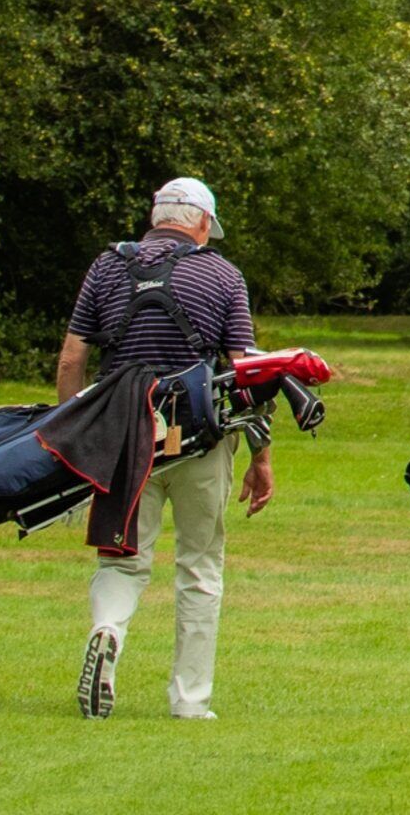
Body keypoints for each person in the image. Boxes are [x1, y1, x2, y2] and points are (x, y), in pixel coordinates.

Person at [59, 176, 267, 721]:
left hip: (122, 437)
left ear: (156, 218)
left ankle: (108, 630)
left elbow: (72, 359)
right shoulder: (223, 274)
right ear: (201, 223)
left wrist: (75, 435)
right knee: (200, 566)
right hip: (201, 441)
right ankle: (190, 701)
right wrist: (261, 456)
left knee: (122, 557)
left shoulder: (107, 267)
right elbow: (245, 372)